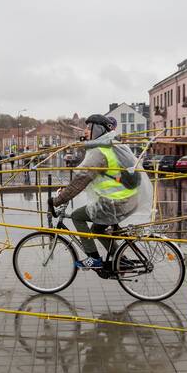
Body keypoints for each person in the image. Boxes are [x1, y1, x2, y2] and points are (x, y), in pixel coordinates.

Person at [50, 114, 142, 269]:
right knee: (97, 228)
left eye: (88, 127)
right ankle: (122, 260)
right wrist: (67, 190)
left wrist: (56, 201)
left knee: (77, 216)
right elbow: (92, 178)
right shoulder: (111, 144)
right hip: (127, 199)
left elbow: (82, 179)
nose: (85, 131)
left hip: (116, 202)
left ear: (97, 129)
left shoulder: (100, 151)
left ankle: (94, 259)